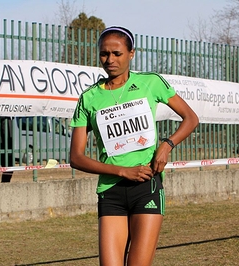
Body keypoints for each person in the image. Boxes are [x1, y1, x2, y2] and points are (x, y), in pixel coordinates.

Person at [69, 26, 199, 266]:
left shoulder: (151, 83)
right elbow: (76, 158)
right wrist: (121, 171)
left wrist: (167, 145)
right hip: (111, 192)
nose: (110, 60)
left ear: (131, 54)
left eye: (117, 53)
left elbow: (191, 118)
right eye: (104, 54)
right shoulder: (89, 98)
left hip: (146, 188)